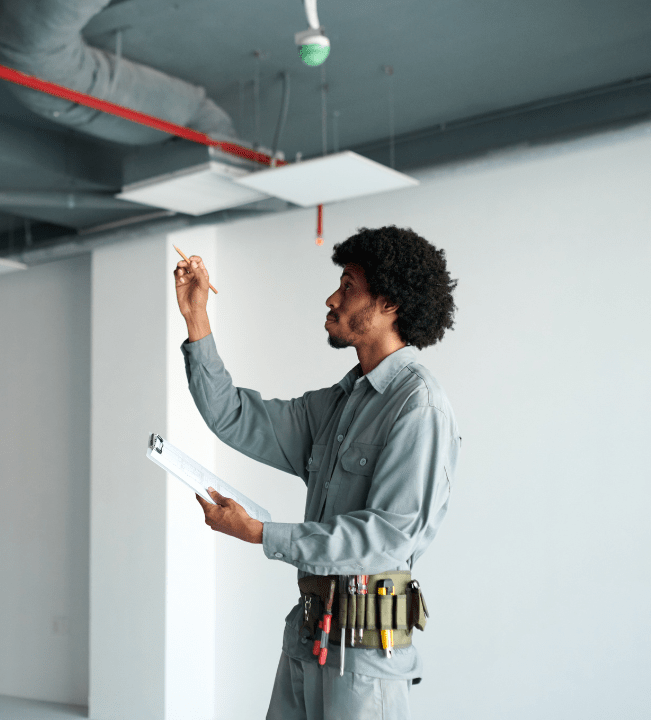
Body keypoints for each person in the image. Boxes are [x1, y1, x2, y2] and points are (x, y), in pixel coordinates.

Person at [174, 226, 460, 720]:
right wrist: (197, 319)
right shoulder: (339, 404)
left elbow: (384, 541)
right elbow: (235, 416)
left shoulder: (419, 407)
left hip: (366, 662)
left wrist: (261, 533)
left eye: (349, 286)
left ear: (389, 304)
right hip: (309, 640)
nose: (333, 298)